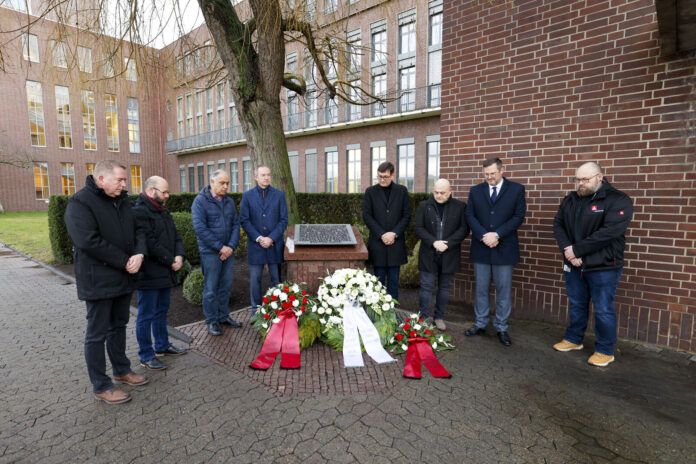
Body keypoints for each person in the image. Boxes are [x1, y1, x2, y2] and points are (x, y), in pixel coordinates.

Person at [64, 160, 148, 404]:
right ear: (101, 179)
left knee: (119, 325)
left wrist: (139, 254)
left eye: (125, 180)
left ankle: (121, 370)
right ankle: (101, 385)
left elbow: (139, 230)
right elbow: (87, 241)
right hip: (98, 280)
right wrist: (124, 260)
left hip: (122, 277)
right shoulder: (79, 203)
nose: (125, 185)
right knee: (96, 334)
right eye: (120, 180)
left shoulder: (121, 201)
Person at [552, 162, 633, 367]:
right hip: (574, 263)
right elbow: (558, 224)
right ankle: (574, 339)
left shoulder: (618, 200)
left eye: (585, 179)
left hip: (603, 266)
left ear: (600, 177)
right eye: (578, 179)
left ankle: (605, 350)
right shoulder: (570, 200)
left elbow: (609, 232)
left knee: (603, 308)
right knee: (577, 303)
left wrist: (578, 250)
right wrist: (568, 251)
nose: (581, 183)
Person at [465, 157, 526, 346]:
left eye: (492, 173)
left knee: (503, 290)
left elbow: (518, 216)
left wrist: (497, 235)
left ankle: (501, 327)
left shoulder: (516, 190)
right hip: (481, 246)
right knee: (481, 289)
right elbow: (470, 215)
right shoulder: (475, 191)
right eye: (486, 174)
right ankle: (481, 323)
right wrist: (484, 235)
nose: (489, 177)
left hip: (504, 248)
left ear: (502, 170)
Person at [132, 176, 187, 371]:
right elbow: (149, 242)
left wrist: (179, 255)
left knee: (162, 310)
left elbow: (176, 236)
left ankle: (162, 346)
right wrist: (170, 259)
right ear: (150, 190)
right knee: (146, 315)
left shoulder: (163, 210)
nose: (167, 195)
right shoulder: (138, 211)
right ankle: (146, 355)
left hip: (165, 271)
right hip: (149, 274)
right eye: (164, 192)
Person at [414, 178, 470, 331]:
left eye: (442, 193)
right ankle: (424, 317)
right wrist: (434, 242)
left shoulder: (460, 207)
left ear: (450, 192)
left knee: (444, 288)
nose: (438, 195)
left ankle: (439, 317)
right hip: (428, 253)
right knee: (426, 287)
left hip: (449, 253)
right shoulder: (424, 206)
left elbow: (464, 229)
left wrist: (448, 244)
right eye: (436, 192)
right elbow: (418, 227)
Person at [192, 169, 241, 336]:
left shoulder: (229, 202)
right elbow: (200, 229)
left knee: (225, 287)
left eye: (228, 183)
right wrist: (221, 248)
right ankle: (211, 321)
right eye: (222, 183)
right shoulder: (200, 202)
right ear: (212, 182)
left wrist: (231, 247)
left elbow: (236, 225)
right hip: (211, 253)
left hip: (228, 252)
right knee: (211, 289)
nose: (226, 186)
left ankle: (223, 316)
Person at [239, 165, 289, 314]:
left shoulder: (279, 195)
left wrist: (272, 238)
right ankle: (256, 311)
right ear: (255, 177)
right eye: (263, 175)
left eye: (268, 175)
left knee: (276, 280)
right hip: (256, 245)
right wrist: (259, 238)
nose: (266, 177)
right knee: (255, 280)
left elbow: (283, 220)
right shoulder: (247, 196)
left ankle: (276, 309)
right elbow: (244, 220)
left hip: (274, 245)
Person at [362, 161, 412, 300]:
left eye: (385, 176)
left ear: (393, 176)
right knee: (377, 283)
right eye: (379, 176)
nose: (382, 179)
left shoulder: (402, 191)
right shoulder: (370, 192)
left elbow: (407, 215)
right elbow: (367, 215)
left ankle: (393, 314)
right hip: (378, 244)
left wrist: (394, 233)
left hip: (396, 244)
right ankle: (377, 314)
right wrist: (381, 234)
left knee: (394, 283)